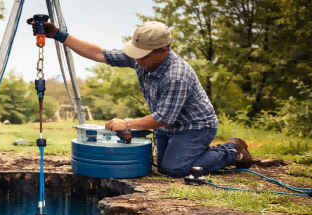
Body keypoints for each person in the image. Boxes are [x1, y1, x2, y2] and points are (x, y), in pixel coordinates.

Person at [29, 19, 254, 176]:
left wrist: (127, 123)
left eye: (141, 56)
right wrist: (59, 35)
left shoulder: (176, 75)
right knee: (160, 164)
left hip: (195, 127)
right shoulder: (142, 56)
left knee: (173, 170)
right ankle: (198, 153)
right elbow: (99, 54)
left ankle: (232, 150)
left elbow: (163, 117)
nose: (135, 60)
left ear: (162, 51)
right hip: (169, 125)